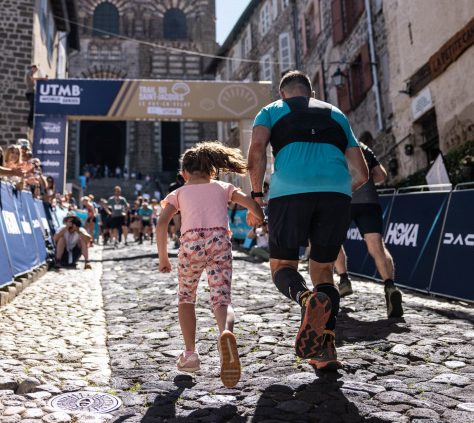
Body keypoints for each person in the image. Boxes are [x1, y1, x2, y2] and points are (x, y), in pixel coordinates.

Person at [246, 70, 368, 371]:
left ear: (282, 94)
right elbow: (362, 174)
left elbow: (258, 150)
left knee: (283, 267)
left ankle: (304, 299)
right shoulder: (336, 113)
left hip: (289, 193)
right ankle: (326, 352)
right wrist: (339, 189)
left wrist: (256, 196)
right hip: (335, 194)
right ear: (311, 94)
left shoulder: (270, 111)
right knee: (324, 271)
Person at [156, 141, 265, 388]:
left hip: (190, 245)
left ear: (184, 173)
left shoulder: (179, 193)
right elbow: (253, 206)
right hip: (219, 243)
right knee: (221, 299)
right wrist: (259, 217)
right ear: (213, 171)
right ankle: (225, 334)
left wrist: (163, 257)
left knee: (186, 297)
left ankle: (190, 353)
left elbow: (162, 223)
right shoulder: (223, 187)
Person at [334, 142, 403, 318]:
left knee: (333, 241)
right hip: (369, 199)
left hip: (344, 200)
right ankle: (389, 286)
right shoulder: (363, 148)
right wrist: (367, 179)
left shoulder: (332, 146)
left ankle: (343, 279)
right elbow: (381, 175)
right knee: (377, 247)